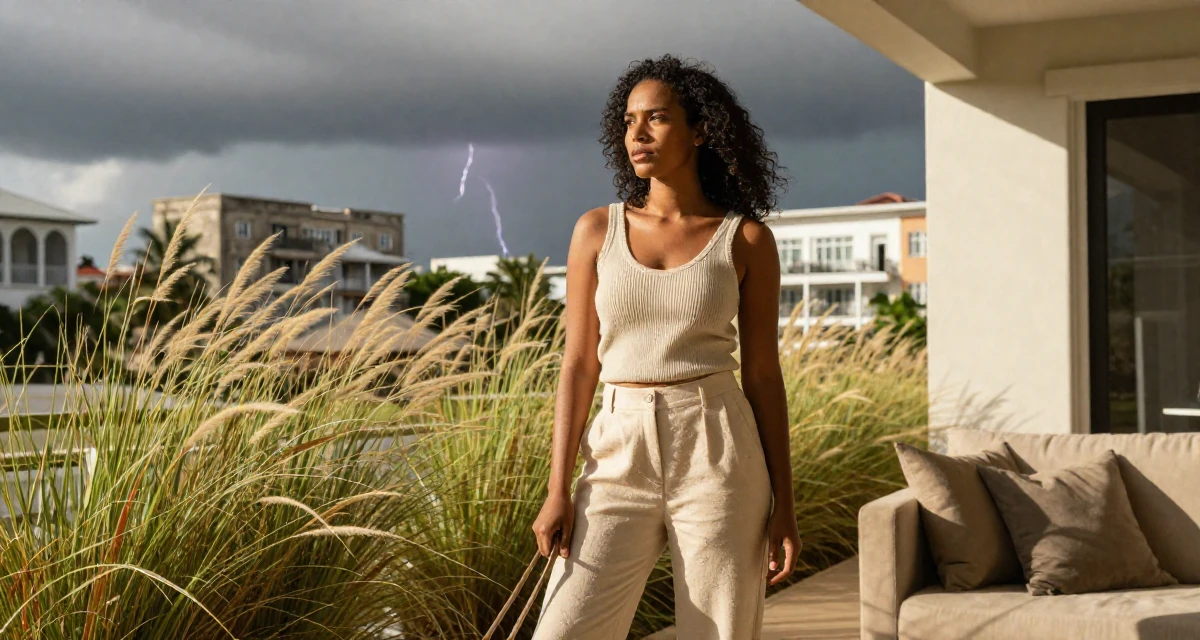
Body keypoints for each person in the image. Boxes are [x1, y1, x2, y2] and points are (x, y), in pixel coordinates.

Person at [529, 54, 800, 640]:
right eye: (629, 121)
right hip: (616, 450)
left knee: (720, 631)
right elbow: (578, 364)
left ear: (701, 129)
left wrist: (785, 504)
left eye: (656, 118)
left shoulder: (746, 239)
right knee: (563, 629)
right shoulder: (596, 231)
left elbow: (762, 376)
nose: (638, 134)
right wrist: (556, 491)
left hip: (718, 448)